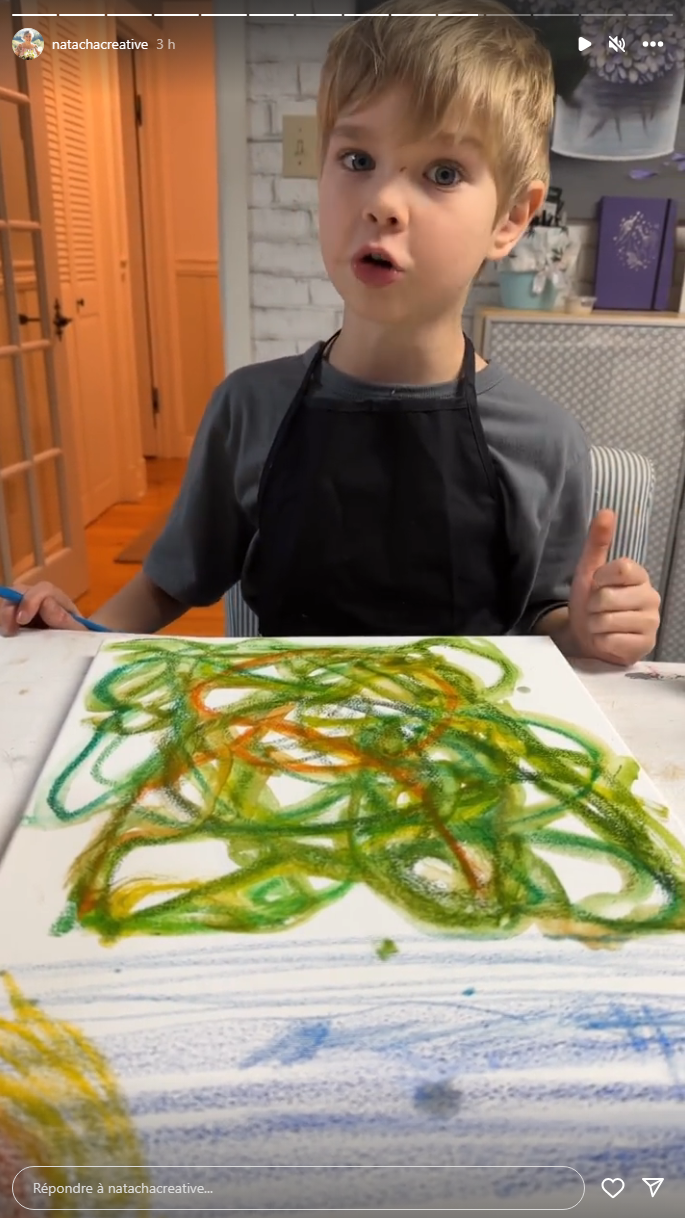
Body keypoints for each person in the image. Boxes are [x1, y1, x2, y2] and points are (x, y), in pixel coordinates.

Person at [0, 0, 660, 664]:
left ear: (510, 218)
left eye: (442, 173)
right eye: (356, 158)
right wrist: (67, 637)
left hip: (463, 752)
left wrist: (587, 628)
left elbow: (547, 616)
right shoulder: (248, 408)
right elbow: (163, 587)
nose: (382, 202)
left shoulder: (544, 440)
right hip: (281, 739)